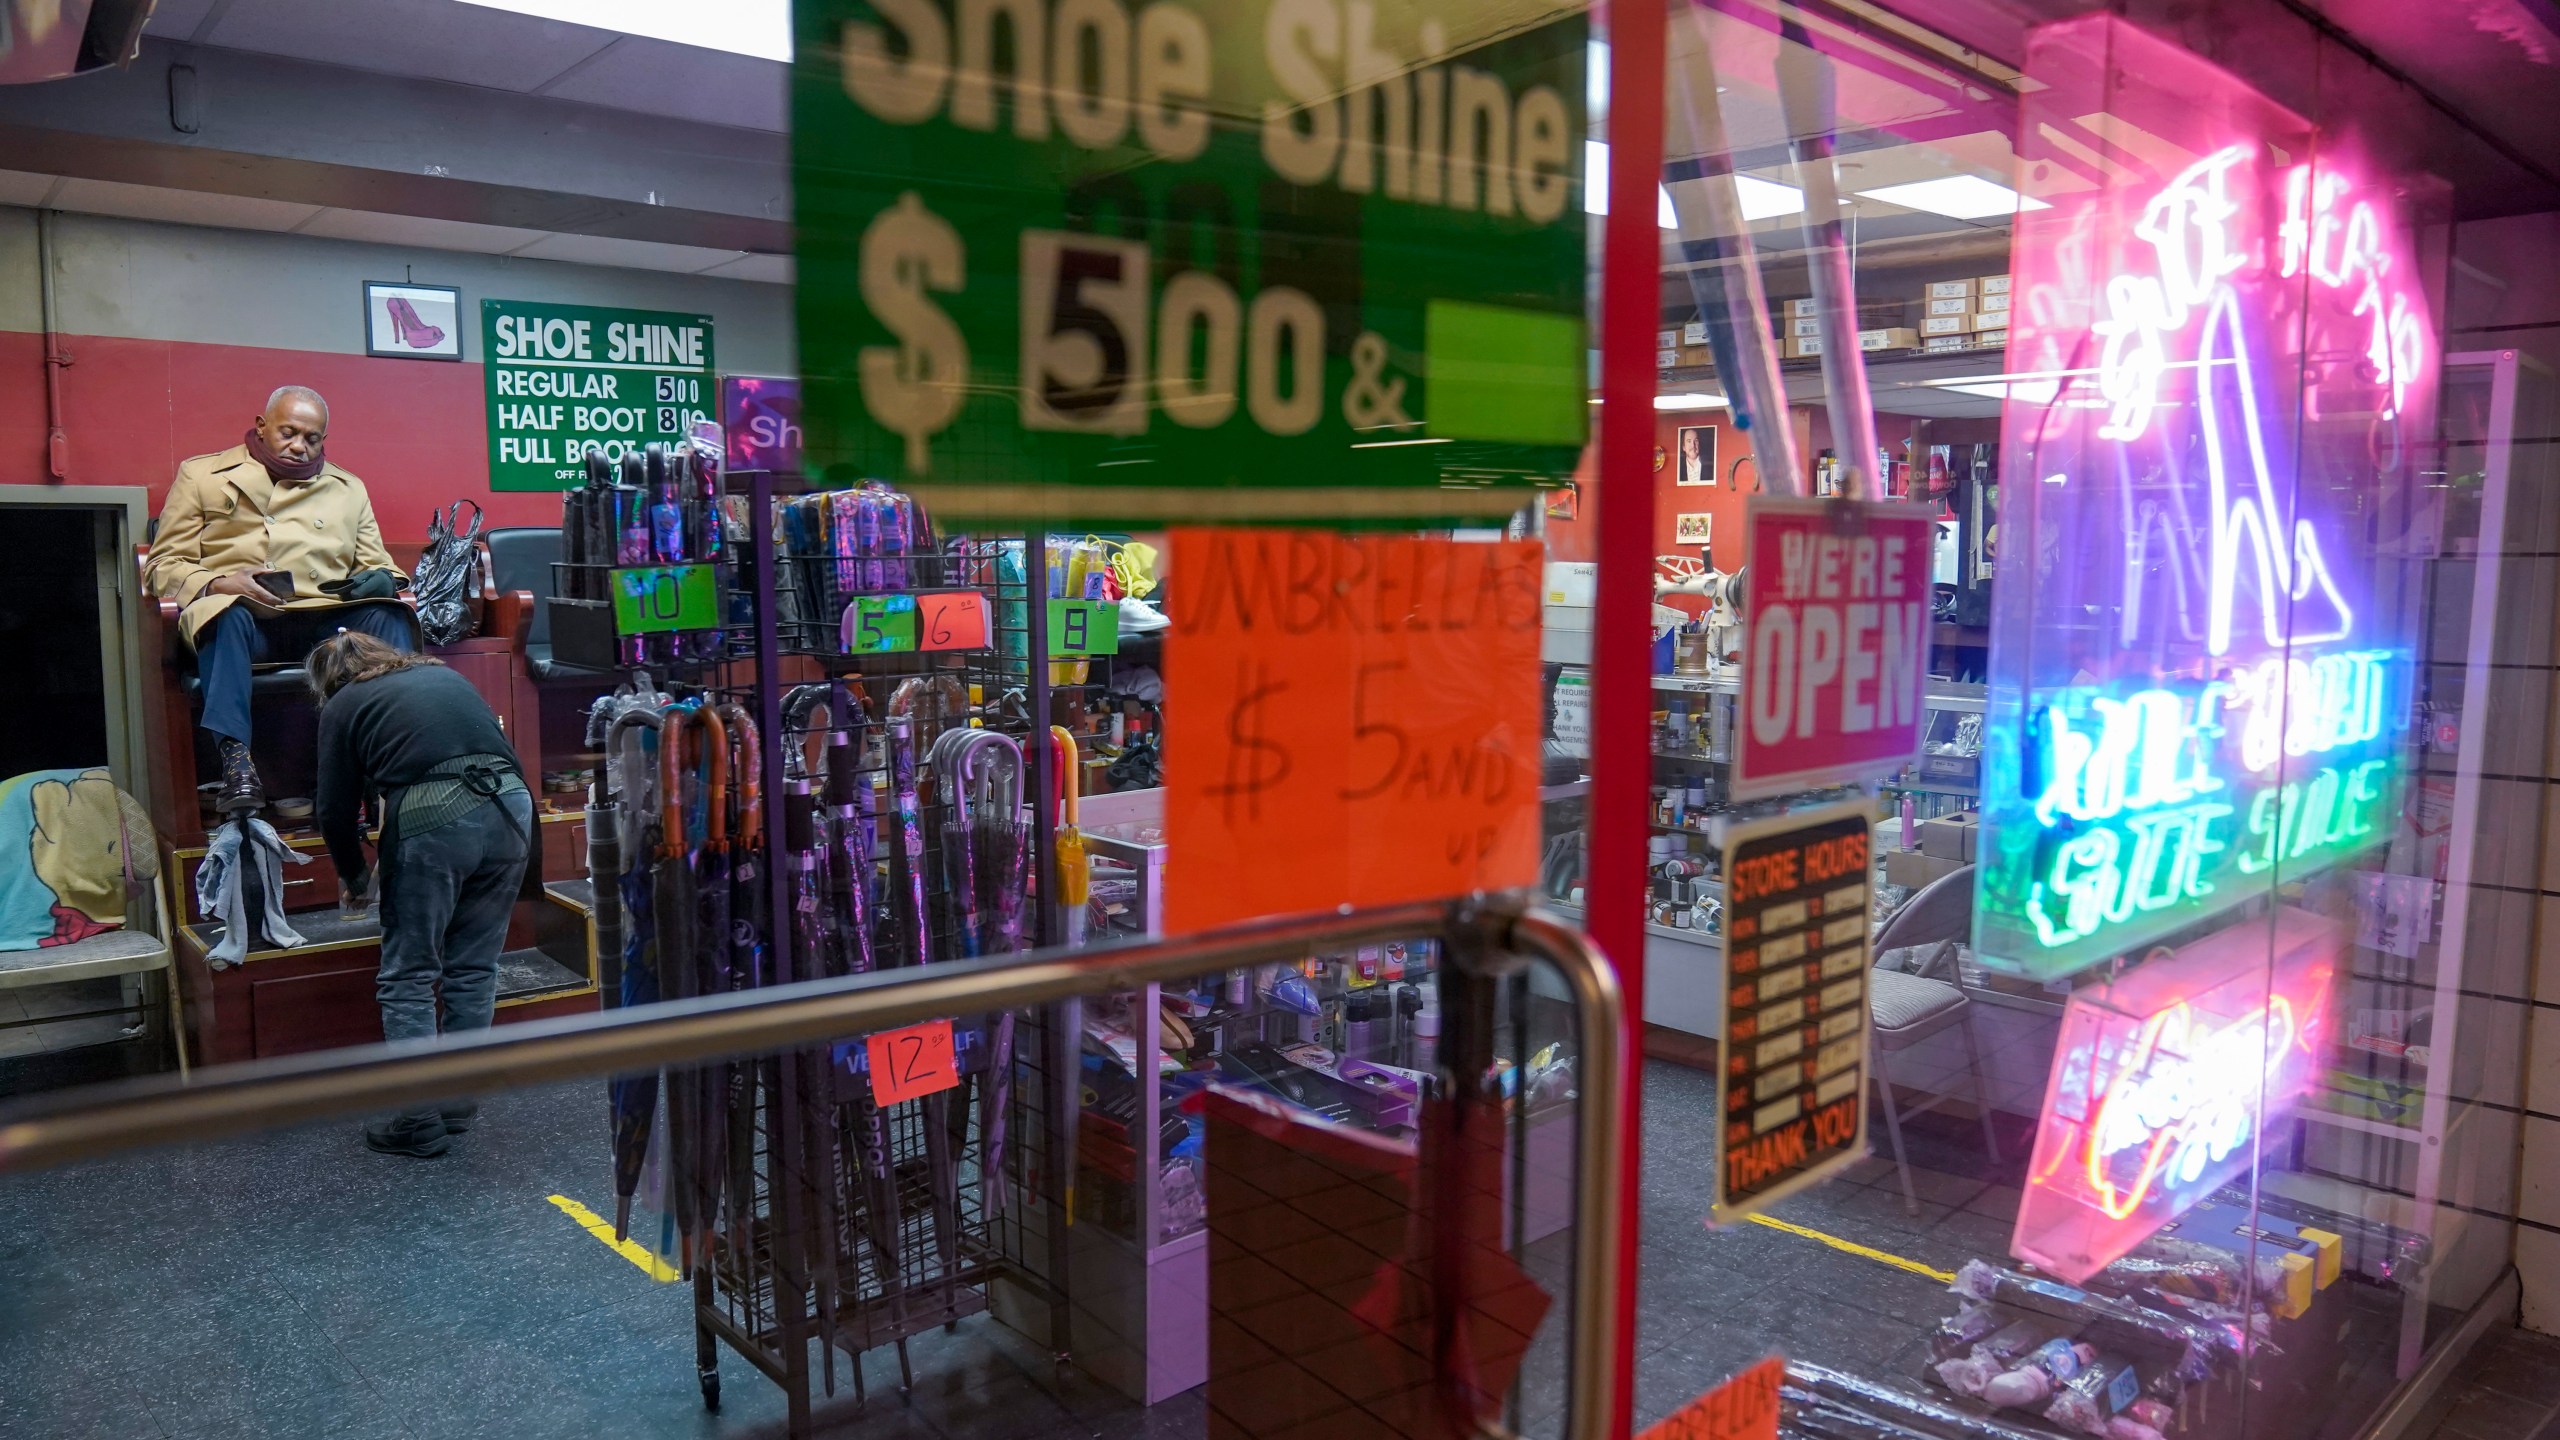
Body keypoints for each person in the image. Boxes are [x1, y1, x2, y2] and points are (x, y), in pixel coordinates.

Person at [307, 631, 535, 1158]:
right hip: (514, 808)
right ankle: (455, 1103)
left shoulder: (344, 703)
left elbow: (333, 809)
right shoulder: (442, 674)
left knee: (409, 973)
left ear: (329, 680)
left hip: (436, 813)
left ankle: (418, 1119)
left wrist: (356, 878)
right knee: (474, 967)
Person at [145, 386, 411, 814]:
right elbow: (162, 565)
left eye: (312, 439)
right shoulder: (202, 476)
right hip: (249, 623)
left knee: (389, 616)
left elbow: (379, 564)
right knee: (222, 613)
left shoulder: (347, 487)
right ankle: (237, 765)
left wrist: (377, 582)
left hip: (325, 625)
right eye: (289, 433)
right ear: (262, 426)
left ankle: (386, 760)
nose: (299, 447)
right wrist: (221, 584)